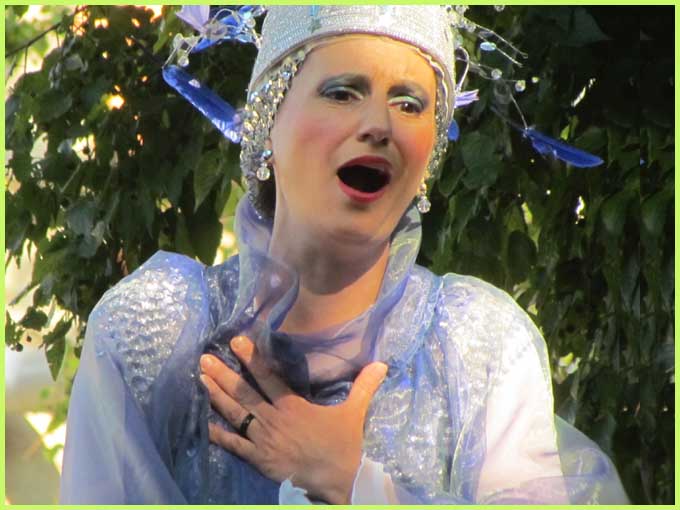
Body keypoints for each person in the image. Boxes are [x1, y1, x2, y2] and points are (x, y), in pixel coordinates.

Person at [60, 5, 629, 504]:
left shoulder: (476, 342)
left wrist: (354, 482)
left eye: (409, 103)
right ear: (268, 122)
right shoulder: (157, 330)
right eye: (342, 92)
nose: (379, 125)